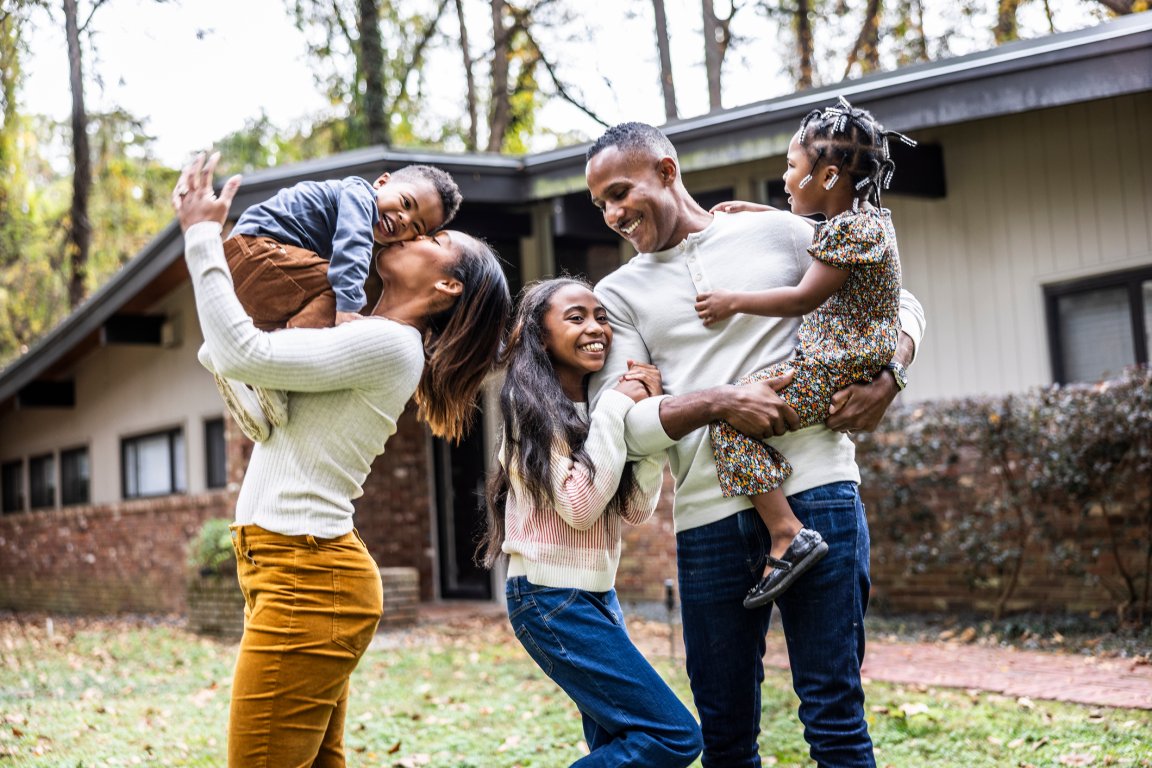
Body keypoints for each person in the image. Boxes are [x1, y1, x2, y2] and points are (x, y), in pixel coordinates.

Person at [584, 121, 925, 767]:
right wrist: (718, 400)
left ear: (665, 170)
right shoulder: (616, 295)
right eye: (600, 202)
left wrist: (892, 371)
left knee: (835, 714)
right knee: (724, 734)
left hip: (819, 485)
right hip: (707, 518)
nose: (613, 213)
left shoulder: (776, 230)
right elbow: (623, 423)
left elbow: (894, 296)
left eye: (621, 191)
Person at [172, 152, 510, 768]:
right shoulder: (350, 329)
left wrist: (201, 236)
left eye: (433, 235)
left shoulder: (386, 344)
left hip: (308, 574)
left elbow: (239, 350)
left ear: (447, 285)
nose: (409, 230)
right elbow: (239, 366)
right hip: (294, 568)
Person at [693, 97, 916, 609]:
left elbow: (803, 296)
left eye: (793, 168)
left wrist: (732, 302)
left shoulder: (855, 230)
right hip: (845, 355)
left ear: (830, 176)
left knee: (728, 419)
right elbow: (824, 238)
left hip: (836, 364)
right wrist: (763, 213)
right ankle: (785, 522)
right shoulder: (860, 222)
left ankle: (787, 533)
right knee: (739, 405)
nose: (787, 177)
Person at [476, 277, 703, 767]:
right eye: (575, 317)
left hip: (596, 595)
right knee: (674, 737)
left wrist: (646, 425)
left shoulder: (599, 410)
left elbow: (633, 509)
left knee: (618, 744)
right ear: (540, 336)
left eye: (601, 316)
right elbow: (578, 507)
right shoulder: (529, 408)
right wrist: (619, 406)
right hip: (549, 596)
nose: (595, 327)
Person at [203, 163, 463, 442]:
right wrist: (348, 308)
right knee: (334, 288)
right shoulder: (359, 195)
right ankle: (269, 378)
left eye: (416, 226)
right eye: (406, 203)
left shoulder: (351, 207)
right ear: (382, 182)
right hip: (257, 250)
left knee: (313, 302)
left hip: (250, 268)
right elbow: (353, 246)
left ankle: (233, 365)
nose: (403, 219)